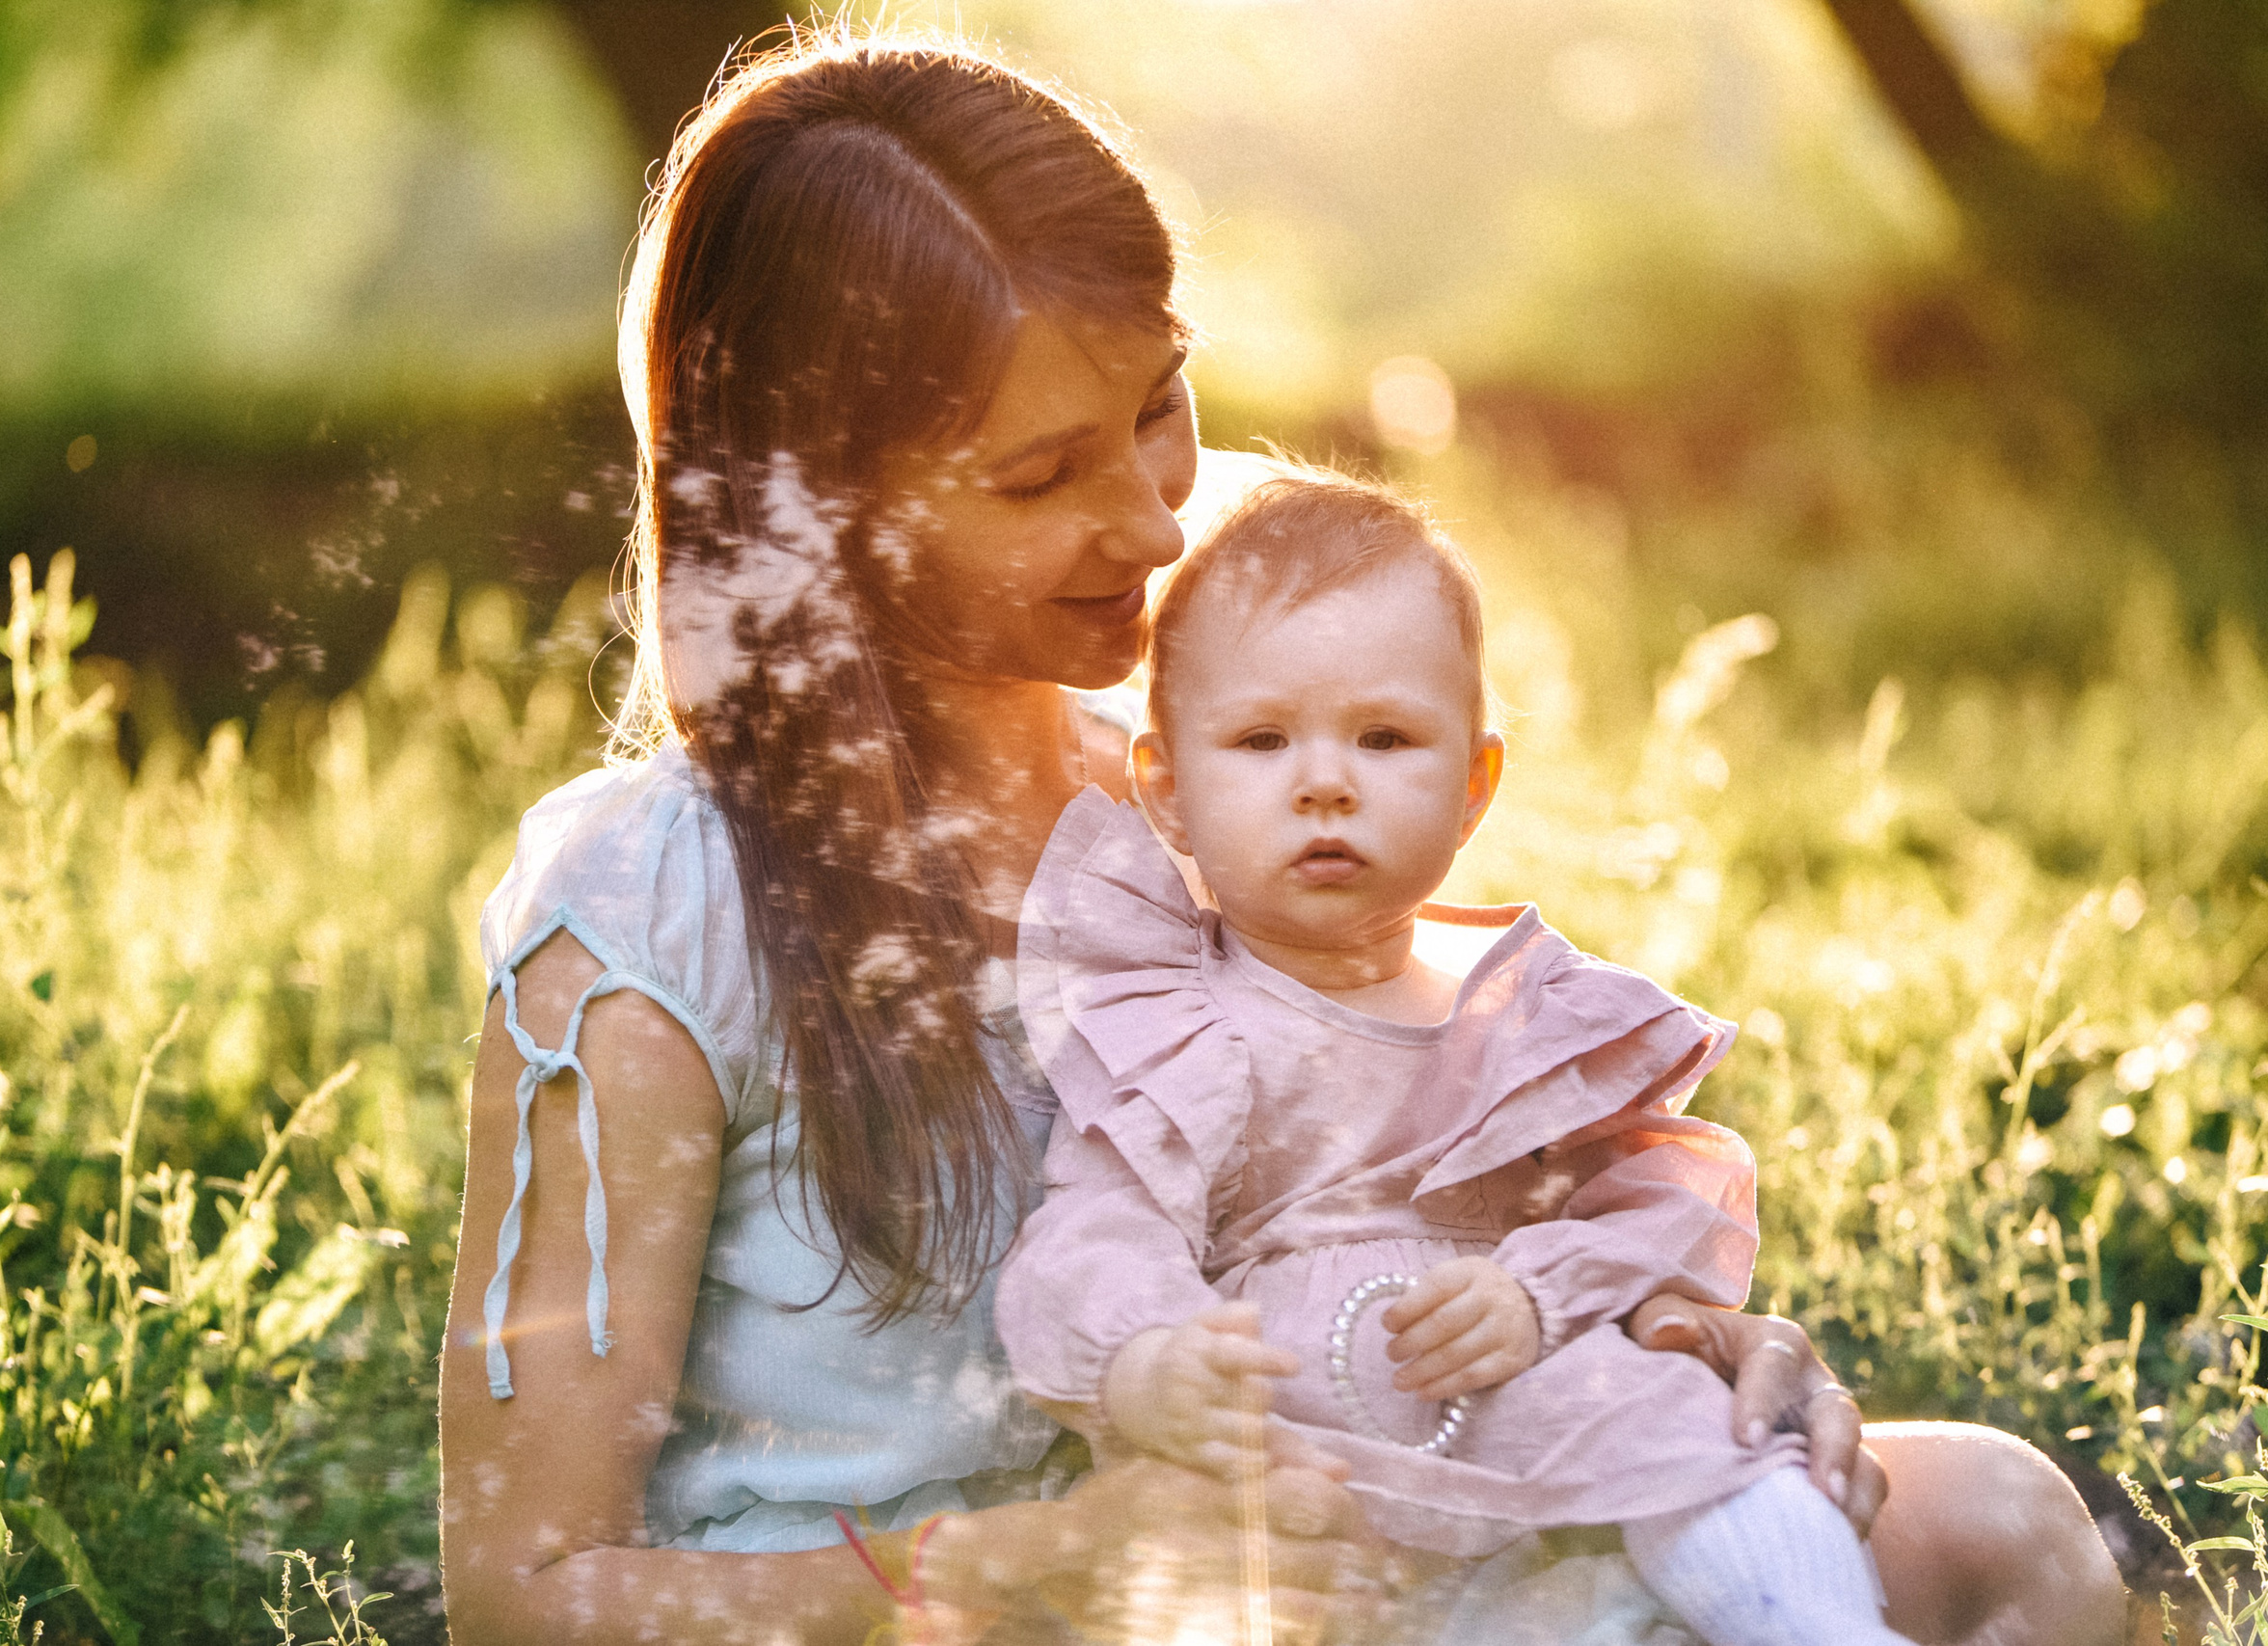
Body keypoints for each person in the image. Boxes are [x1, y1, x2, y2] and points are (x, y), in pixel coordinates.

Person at [435, 29, 2126, 1646]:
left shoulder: (1203, 782)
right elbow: (526, 1596)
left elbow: (1405, 1172)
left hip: (1358, 1568)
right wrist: (1041, 1570)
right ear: (820, 499)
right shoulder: (646, 923)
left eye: (1160, 405)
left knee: (1994, 1523)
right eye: (1041, 475)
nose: (1158, 516)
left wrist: (1661, 1332)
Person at [996, 469, 1916, 1645]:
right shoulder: (1178, 1022)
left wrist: (1539, 1291)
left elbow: (1645, 1209)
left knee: (1703, 1450)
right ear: (1167, 791)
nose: (1325, 781)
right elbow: (1098, 1227)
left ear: (1474, 786)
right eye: (1262, 739)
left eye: (1385, 738)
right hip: (1303, 1476)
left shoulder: (1526, 1022)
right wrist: (1146, 1362)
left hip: (1532, 1432)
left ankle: (1825, 1630)